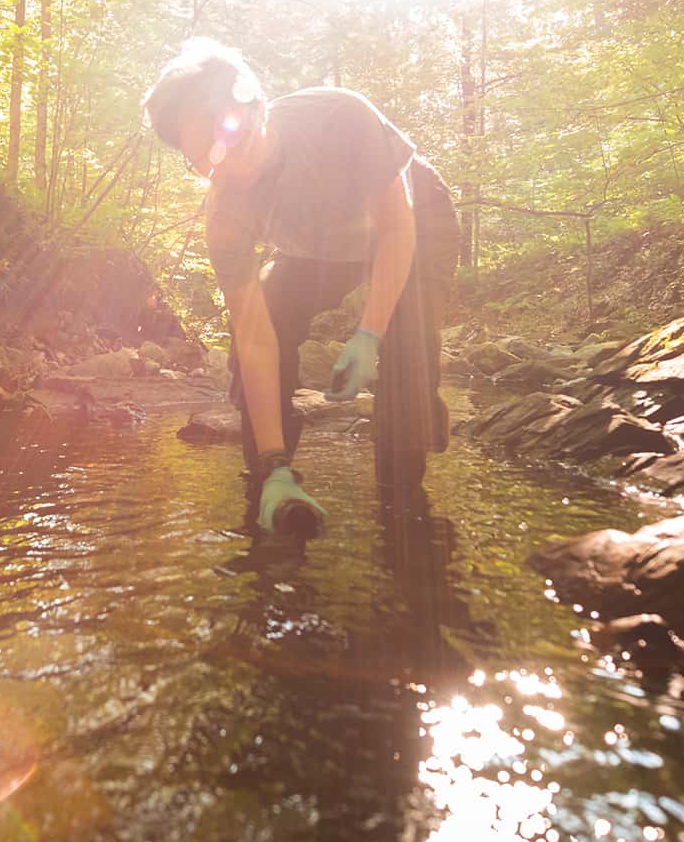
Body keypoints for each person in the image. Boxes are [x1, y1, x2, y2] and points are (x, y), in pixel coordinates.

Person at [141, 39, 460, 533]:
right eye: (201, 157)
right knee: (264, 325)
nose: (222, 162)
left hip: (415, 222)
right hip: (317, 245)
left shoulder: (339, 117)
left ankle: (404, 504)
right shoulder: (224, 216)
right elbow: (253, 335)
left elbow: (397, 227)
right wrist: (274, 462)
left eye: (228, 132)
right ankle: (272, 481)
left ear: (257, 103)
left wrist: (371, 334)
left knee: (407, 350)